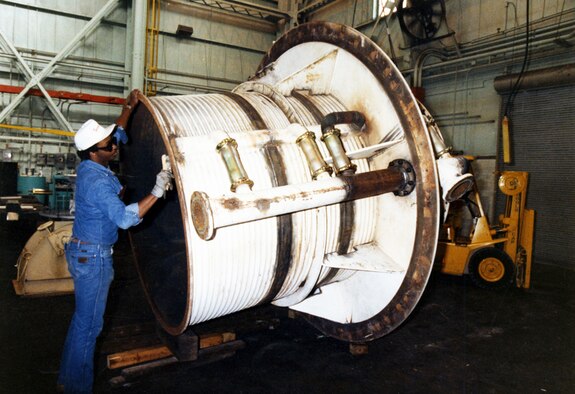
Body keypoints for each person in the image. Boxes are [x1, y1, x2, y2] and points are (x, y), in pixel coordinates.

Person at [57, 89, 172, 393]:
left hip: (84, 253)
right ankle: (77, 388)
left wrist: (129, 106)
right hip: (93, 259)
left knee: (81, 323)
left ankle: (67, 380)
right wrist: (158, 190)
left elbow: (119, 132)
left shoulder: (91, 164)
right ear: (96, 151)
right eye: (109, 145)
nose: (115, 146)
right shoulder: (96, 182)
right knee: (90, 328)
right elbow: (123, 219)